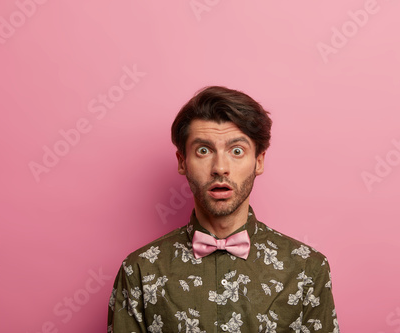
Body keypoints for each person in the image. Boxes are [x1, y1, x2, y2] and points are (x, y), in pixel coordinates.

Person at [108, 86, 340, 332]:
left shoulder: (308, 269)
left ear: (258, 162)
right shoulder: (139, 271)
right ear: (182, 162)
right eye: (203, 151)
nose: (220, 167)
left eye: (237, 151)